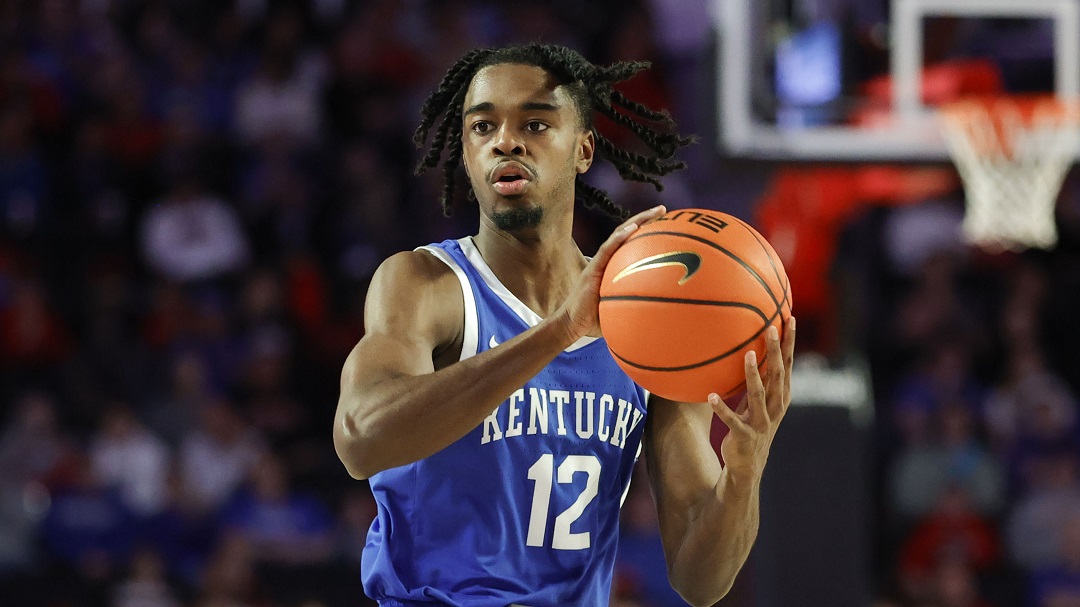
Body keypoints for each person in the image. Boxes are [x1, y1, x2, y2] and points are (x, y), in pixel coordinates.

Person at [333, 42, 796, 607]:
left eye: (534, 123)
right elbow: (360, 439)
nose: (505, 141)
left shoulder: (650, 322)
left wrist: (744, 473)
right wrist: (559, 331)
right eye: (482, 126)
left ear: (583, 149)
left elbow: (700, 581)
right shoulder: (426, 284)